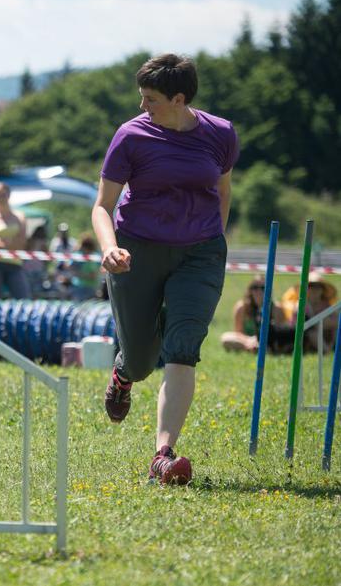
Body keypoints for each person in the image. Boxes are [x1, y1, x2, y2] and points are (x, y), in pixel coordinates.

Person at [92, 53, 239, 485]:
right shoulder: (131, 136)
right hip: (137, 251)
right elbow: (102, 206)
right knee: (141, 361)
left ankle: (163, 454)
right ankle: (123, 374)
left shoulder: (221, 134)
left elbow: (222, 191)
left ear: (179, 98)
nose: (143, 107)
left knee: (183, 345)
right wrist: (109, 248)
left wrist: (213, 240)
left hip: (200, 254)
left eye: (151, 99)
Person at [0, 182, 29, 299]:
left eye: (3, 194)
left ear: (9, 195)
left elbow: (22, 243)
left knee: (23, 298)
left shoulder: (20, 216)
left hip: (15, 264)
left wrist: (0, 241)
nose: (1, 198)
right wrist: (12, 242)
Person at [220, 276, 290, 353]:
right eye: (255, 287)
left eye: (263, 288)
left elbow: (280, 333)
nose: (259, 291)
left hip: (269, 342)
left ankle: (261, 349)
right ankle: (254, 349)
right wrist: (251, 341)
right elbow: (239, 333)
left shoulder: (277, 309)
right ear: (250, 290)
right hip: (247, 342)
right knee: (226, 338)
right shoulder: (241, 308)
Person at [281, 272, 338, 352]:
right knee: (312, 333)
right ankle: (328, 351)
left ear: (322, 290)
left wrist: (324, 323)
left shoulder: (326, 305)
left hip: (325, 335)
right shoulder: (300, 305)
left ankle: (332, 347)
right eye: (311, 286)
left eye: (318, 286)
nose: (314, 289)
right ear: (306, 289)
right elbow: (300, 326)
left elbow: (336, 321)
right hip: (303, 338)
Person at [63, 233, 101, 301]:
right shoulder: (80, 256)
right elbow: (67, 265)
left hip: (87, 289)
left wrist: (77, 274)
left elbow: (93, 276)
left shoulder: (94, 257)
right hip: (79, 287)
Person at [23, 225, 50, 297]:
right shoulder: (43, 243)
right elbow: (46, 258)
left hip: (28, 267)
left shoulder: (30, 241)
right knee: (37, 288)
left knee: (28, 287)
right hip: (38, 267)